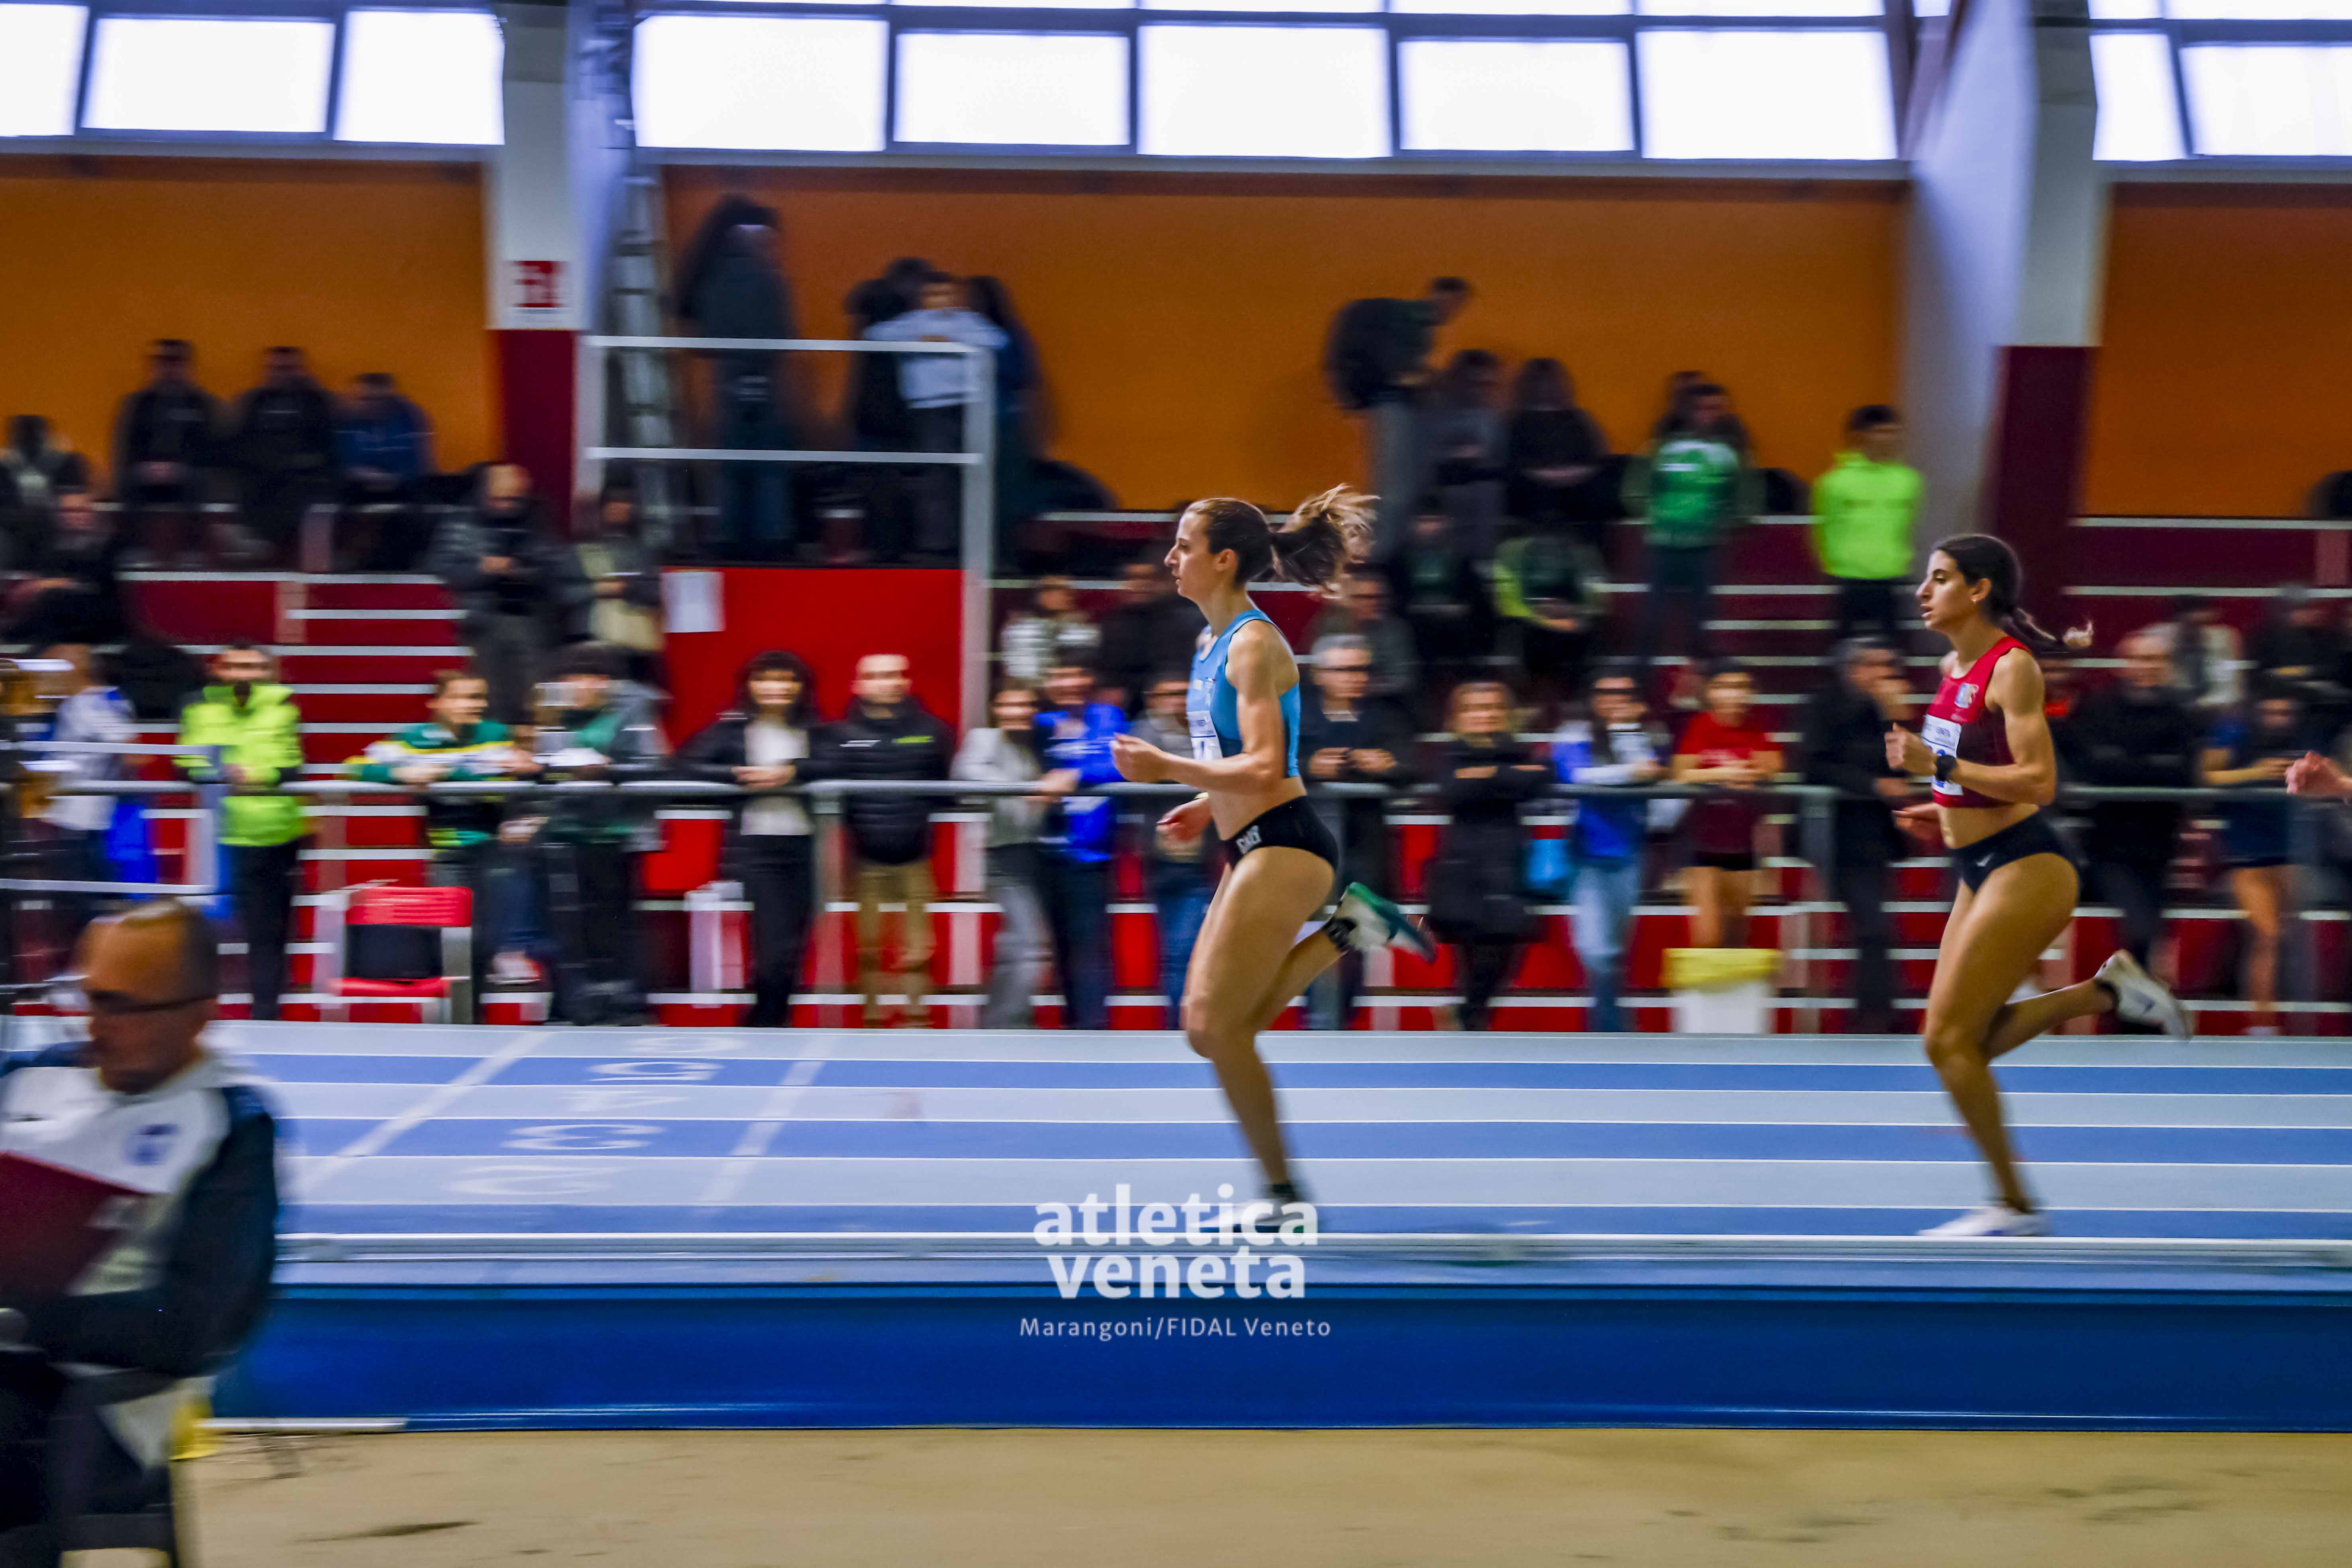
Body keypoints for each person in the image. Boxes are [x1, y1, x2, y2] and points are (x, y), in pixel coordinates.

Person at [1110, 487, 1433, 1202]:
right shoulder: (1209, 645)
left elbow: (1264, 766)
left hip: (1284, 845)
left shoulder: (1255, 644)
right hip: (1250, 842)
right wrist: (1204, 805)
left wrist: (1166, 769)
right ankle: (1355, 924)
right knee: (1210, 1031)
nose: (1170, 558)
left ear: (1224, 560)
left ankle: (1284, 1194)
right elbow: (1240, 760)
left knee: (1217, 1028)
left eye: (1184, 546)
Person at [1884, 534, 2189, 1238]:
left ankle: (2016, 1206)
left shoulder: (2011, 667)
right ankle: (2105, 992)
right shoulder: (1950, 666)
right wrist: (1942, 805)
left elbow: (2039, 781)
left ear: (1979, 589)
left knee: (1948, 1044)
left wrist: (1939, 768)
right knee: (1955, 1043)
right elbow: (1974, 765)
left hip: (2029, 864)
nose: (1923, 591)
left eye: (1939, 578)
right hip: (1977, 861)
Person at [0, 901, 279, 1546]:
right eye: (90, 997)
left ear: (199, 1014)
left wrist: (26, 1319)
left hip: (92, 1400)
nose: (95, 1024)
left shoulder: (231, 1129)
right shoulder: (29, 1080)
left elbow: (190, 1324)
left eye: (121, 1006)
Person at [346, 668, 539, 994]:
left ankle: (476, 1014)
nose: (475, 705)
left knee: (484, 940)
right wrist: (402, 773)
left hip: (495, 850)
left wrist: (446, 773)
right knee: (452, 939)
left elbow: (500, 777)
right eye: (464, 698)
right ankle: (456, 1016)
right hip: (448, 853)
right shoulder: (414, 739)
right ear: (437, 703)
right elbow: (355, 767)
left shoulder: (496, 734)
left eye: (479, 698)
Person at [680, 651, 825, 1028]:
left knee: (793, 949)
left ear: (801, 687)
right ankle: (762, 1024)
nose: (776, 688)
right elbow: (684, 766)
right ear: (750, 686)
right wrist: (738, 775)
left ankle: (774, 1023)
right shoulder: (731, 730)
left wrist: (791, 772)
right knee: (773, 949)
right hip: (758, 848)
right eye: (765, 679)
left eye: (786, 680)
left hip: (806, 847)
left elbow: (839, 762)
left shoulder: (815, 729)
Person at [527, 644, 669, 1026]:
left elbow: (654, 765)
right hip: (566, 830)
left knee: (619, 922)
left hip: (617, 831)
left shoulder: (634, 711)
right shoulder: (554, 711)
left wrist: (611, 769)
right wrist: (537, 767)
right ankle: (575, 1004)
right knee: (568, 924)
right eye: (572, 679)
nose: (580, 686)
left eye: (590, 678)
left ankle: (628, 1003)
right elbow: (547, 766)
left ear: (606, 682)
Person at [818, 652, 954, 1026]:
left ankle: (918, 1023)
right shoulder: (839, 736)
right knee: (868, 950)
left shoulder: (934, 731)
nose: (886, 682)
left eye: (894, 675)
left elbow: (944, 791)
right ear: (858, 685)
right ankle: (872, 1024)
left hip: (916, 858)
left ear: (907, 682)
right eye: (876, 676)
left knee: (919, 950)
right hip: (864, 862)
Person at [2057, 632, 2202, 978]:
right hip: (2109, 842)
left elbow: (2183, 772)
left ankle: (2137, 999)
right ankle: (2132, 998)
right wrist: (2151, 766)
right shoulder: (2099, 708)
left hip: (2160, 840)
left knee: (2153, 929)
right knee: (2139, 928)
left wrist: (2123, 764)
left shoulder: (2181, 713)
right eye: (2139, 659)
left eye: (2155, 660)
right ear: (2124, 664)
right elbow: (2092, 767)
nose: (2146, 667)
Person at [175, 645, 306, 1020]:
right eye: (235, 666)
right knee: (207, 931)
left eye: (253, 667)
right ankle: (196, 1015)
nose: (244, 674)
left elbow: (294, 768)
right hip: (219, 833)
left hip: (276, 834)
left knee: (269, 934)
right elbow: (183, 764)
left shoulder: (284, 709)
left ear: (267, 672)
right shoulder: (198, 710)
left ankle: (266, 1016)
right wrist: (218, 774)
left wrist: (256, 776)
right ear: (220, 670)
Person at [1798, 640, 1914, 1033]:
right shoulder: (1823, 705)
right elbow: (1815, 765)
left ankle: (1876, 1014)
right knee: (1873, 927)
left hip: (1875, 836)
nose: (1886, 675)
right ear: (1854, 669)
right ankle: (1876, 1018)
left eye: (1889, 666)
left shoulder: (1883, 711)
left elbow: (1902, 769)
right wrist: (1872, 784)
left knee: (1876, 928)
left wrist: (1894, 718)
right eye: (1877, 666)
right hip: (1837, 834)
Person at [1299, 635, 1415, 1029]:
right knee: (1312, 938)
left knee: (1354, 944)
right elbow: (1268, 762)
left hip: (1366, 847)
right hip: (1309, 845)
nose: (1357, 677)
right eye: (1346, 669)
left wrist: (1387, 766)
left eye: (1363, 669)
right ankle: (1316, 1022)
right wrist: (1310, 766)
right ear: (1320, 673)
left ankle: (1336, 1025)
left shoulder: (1387, 715)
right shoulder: (1295, 712)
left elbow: (1413, 766)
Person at [1426, 681, 1550, 1031]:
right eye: (1475, 709)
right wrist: (1506, 778)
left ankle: (1466, 1017)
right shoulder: (1449, 754)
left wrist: (1488, 776)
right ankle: (1470, 1023)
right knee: (1474, 954)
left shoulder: (1518, 751)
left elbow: (1543, 777)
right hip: (1464, 865)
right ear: (1458, 717)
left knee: (1507, 951)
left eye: (1493, 707)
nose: (1485, 715)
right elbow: (1453, 789)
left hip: (1509, 861)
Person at [430, 462, 591, 728]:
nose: (508, 503)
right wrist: (483, 568)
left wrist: (522, 570)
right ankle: (494, 744)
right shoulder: (462, 524)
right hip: (484, 619)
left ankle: (535, 746)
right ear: (486, 490)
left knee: (536, 694)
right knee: (490, 695)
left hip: (532, 619)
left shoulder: (537, 522)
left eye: (514, 497)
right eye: (501, 497)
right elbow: (443, 567)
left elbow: (557, 566)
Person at [861, 272, 1009, 562]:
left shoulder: (968, 321)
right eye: (935, 294)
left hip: (968, 406)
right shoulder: (911, 322)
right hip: (928, 409)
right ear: (923, 297)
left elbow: (998, 340)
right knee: (935, 476)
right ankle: (938, 544)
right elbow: (874, 335)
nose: (942, 300)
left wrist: (952, 339)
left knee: (971, 476)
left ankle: (971, 542)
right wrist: (917, 339)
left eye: (947, 294)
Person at [1322, 278, 1473, 560]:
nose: (1452, 311)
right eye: (1453, 302)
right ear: (1439, 295)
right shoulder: (1411, 321)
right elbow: (1399, 373)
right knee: (1396, 488)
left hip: (1390, 406)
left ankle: (1384, 553)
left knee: (1394, 485)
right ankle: (1382, 556)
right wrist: (1430, 380)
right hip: (1394, 406)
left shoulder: (1412, 323)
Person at [1553, 666, 1668, 1032]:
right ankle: (1611, 1030)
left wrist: (1626, 734)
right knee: (1596, 950)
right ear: (1592, 699)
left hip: (1631, 851)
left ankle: (1608, 1029)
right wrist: (1630, 773)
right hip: (1586, 852)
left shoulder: (1647, 735)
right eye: (1606, 694)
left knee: (1613, 949)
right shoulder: (1574, 734)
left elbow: (1658, 781)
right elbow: (1578, 776)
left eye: (1624, 695)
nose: (1615, 702)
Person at [1624, 383, 1757, 680]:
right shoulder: (1661, 448)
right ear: (1687, 411)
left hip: (1705, 548)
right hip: (1662, 545)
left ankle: (1699, 689)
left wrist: (1724, 522)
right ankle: (1638, 686)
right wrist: (1657, 517)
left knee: (1702, 628)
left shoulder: (1731, 453)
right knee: (1649, 622)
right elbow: (1633, 490)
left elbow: (1748, 501)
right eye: (1702, 408)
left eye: (1716, 408)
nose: (1709, 415)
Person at [2202, 689, 2307, 1036]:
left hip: (2291, 851)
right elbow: (2208, 777)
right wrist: (2256, 772)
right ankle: (2262, 1027)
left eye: (2284, 711)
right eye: (2272, 710)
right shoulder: (2233, 730)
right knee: (2267, 935)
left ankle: (2282, 1021)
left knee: (2283, 937)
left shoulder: (2305, 733)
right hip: (2247, 854)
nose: (2278, 717)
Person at [953, 683, 1053, 1030]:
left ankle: (1005, 1019)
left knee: (1021, 944)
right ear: (995, 709)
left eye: (1026, 705)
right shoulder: (984, 739)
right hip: (1004, 854)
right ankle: (1006, 1024)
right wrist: (1029, 790)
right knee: (1026, 944)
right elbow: (968, 773)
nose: (1018, 712)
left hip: (1038, 853)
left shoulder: (1034, 743)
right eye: (1009, 705)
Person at [1034, 659, 1126, 1030]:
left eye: (1076, 674)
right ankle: (1071, 1032)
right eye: (1060, 675)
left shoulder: (1107, 718)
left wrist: (1077, 773)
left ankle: (1093, 1035)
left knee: (1089, 951)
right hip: (1042, 854)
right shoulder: (1038, 722)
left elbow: (1121, 765)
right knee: (1058, 951)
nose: (1069, 683)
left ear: (1089, 680)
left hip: (1090, 856)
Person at [31, 643, 138, 945]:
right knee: (73, 905)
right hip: (68, 820)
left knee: (86, 907)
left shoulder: (97, 705)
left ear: (74, 669)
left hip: (84, 824)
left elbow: (134, 753)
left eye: (53, 666)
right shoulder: (74, 704)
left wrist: (106, 784)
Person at [1671, 661, 1783, 949]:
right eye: (1727, 687)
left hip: (1743, 845)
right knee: (1708, 938)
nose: (1736, 694)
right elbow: (1681, 773)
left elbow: (1774, 766)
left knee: (1736, 936)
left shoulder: (1756, 728)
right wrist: (1724, 774)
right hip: (1701, 845)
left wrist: (1753, 773)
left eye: (1743, 687)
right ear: (1711, 692)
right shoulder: (1699, 725)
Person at [1131, 672, 1217, 1029]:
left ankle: (1186, 1026)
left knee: (1187, 949)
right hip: (1159, 857)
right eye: (1165, 695)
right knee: (1173, 951)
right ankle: (1177, 1026)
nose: (1175, 702)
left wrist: (1168, 767)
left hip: (1204, 859)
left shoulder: (1210, 730)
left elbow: (1221, 772)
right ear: (1152, 699)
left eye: (1181, 693)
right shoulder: (1142, 732)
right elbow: (1137, 770)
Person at [1812, 405, 1923, 647]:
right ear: (1861, 436)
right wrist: (1833, 563)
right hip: (1848, 576)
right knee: (1844, 647)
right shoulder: (1835, 482)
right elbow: (1825, 530)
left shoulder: (1908, 480)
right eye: (1882, 432)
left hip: (1893, 573)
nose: (1891, 439)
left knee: (1893, 647)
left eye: (1895, 432)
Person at [112, 339, 220, 566]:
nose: (169, 369)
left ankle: (192, 550)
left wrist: (178, 468)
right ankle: (134, 549)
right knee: (128, 481)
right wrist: (147, 467)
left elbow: (212, 450)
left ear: (187, 366)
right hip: (145, 474)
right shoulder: (138, 404)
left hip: (187, 475)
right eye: (163, 363)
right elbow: (126, 448)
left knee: (197, 482)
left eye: (175, 363)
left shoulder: (203, 404)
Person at [226, 346, 337, 562]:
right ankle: (256, 539)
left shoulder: (316, 403)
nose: (282, 374)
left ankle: (264, 541)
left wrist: (298, 461)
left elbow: (327, 444)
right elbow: (239, 444)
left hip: (305, 472)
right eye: (276, 369)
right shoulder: (254, 402)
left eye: (288, 369)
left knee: (299, 488)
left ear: (300, 370)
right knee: (255, 481)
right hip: (263, 470)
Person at [1491, 515, 1606, 725]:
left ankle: (1579, 700)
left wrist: (1573, 611)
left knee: (1592, 631)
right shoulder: (1512, 552)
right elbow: (1506, 601)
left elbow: (1596, 596)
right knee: (1517, 633)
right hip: (1527, 622)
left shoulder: (1582, 552)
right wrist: (1544, 618)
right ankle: (1524, 701)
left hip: (1570, 620)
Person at [1383, 503, 1492, 713]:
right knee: (1414, 638)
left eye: (1435, 521)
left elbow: (1475, 596)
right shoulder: (1398, 559)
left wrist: (1460, 608)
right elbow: (1392, 598)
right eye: (1425, 521)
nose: (1430, 527)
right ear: (1414, 525)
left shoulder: (1460, 557)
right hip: (1413, 624)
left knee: (1470, 634)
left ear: (1446, 523)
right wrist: (1415, 609)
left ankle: (1472, 695)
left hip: (1454, 623)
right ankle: (1423, 706)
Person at [1503, 358, 1614, 554]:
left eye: (1550, 382)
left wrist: (1572, 474)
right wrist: (1551, 475)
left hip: (1580, 489)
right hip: (1532, 492)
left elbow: (1598, 458)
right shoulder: (1517, 423)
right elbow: (1513, 464)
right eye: (1540, 382)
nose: (1545, 388)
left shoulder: (1578, 419)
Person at [569, 480, 667, 692]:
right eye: (614, 502)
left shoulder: (644, 551)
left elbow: (656, 593)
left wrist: (628, 588)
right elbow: (561, 594)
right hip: (591, 642)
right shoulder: (580, 551)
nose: (621, 509)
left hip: (633, 645)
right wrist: (598, 590)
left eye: (626, 502)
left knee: (634, 698)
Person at [334, 372, 436, 570]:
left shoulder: (410, 417)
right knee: (330, 504)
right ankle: (347, 562)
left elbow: (417, 464)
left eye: (379, 399)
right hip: (357, 486)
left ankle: (409, 564)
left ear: (391, 399)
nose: (372, 405)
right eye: (365, 399)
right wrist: (366, 475)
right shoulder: (346, 420)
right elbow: (343, 461)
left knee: (422, 508)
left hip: (402, 485)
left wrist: (386, 478)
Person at [5, 490, 128, 649]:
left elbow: (96, 585)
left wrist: (49, 584)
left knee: (54, 599)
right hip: (57, 617)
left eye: (81, 511)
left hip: (98, 615)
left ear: (93, 514)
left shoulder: (109, 546)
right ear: (57, 516)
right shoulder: (48, 547)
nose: (74, 516)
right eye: (67, 511)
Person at [1423, 348, 1509, 558]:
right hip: (1445, 481)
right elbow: (1424, 456)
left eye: (1487, 385)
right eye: (1475, 383)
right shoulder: (1436, 412)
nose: (1480, 391)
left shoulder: (1491, 417)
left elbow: (1498, 456)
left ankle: (1481, 562)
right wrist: (1457, 453)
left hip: (1481, 483)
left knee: (1488, 492)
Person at [1096, 558, 1205, 715]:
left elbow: (1187, 664)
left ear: (1161, 583)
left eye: (1147, 578)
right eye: (1133, 579)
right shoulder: (1112, 623)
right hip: (1128, 696)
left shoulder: (1185, 619)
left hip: (1172, 691)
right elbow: (1108, 671)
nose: (1140, 585)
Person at [1307, 569, 1418, 704]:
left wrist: (1363, 686)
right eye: (1365, 597)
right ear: (1351, 600)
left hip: (1383, 704)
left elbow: (1404, 679)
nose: (1375, 603)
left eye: (1379, 597)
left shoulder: (1396, 630)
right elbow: (1316, 672)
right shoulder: (1330, 624)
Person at [0, 415, 92, 565]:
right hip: (13, 530)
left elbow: (77, 500)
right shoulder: (4, 466)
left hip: (59, 528)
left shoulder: (67, 463)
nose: (29, 440)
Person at [2144, 594, 2243, 719]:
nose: (2198, 629)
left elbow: (2232, 690)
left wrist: (2204, 708)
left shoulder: (2225, 638)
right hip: (2166, 710)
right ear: (2177, 620)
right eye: (2191, 624)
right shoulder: (2155, 638)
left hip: (2213, 712)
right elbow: (2149, 689)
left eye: (2203, 624)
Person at [998, 575, 1100, 687]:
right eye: (1049, 590)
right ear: (1038, 596)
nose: (1057, 596)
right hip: (1031, 688)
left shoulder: (1084, 629)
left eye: (1063, 591)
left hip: (1072, 688)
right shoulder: (1022, 629)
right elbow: (1020, 672)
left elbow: (1088, 667)